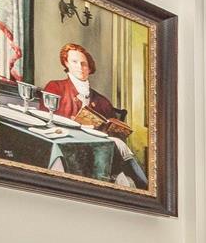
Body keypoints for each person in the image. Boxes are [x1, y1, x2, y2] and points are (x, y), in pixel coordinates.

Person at [41, 42, 148, 189]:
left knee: (119, 146)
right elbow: (46, 117)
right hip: (68, 142)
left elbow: (113, 130)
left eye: (84, 63)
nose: (80, 66)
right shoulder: (55, 87)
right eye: (74, 62)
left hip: (98, 147)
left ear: (90, 68)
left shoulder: (102, 101)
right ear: (66, 63)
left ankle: (140, 187)